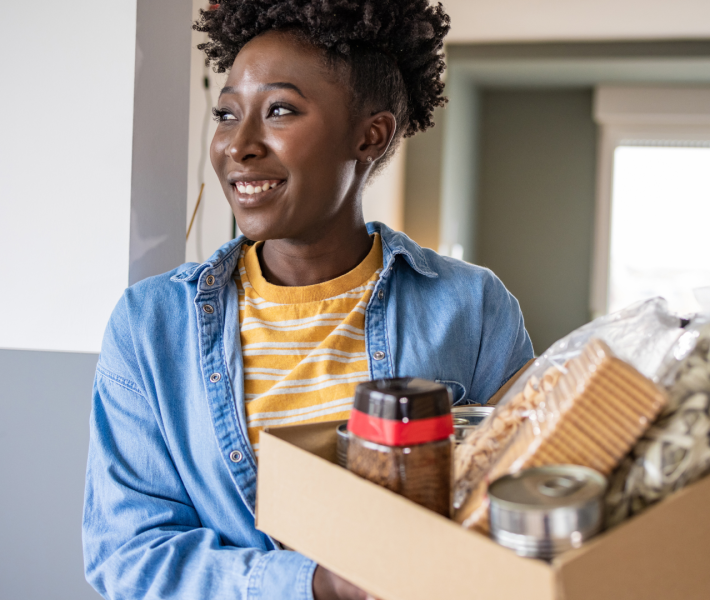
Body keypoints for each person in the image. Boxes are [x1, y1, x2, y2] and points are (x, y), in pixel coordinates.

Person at [82, 2, 532, 599]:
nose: (237, 146)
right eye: (225, 113)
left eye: (280, 111)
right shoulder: (150, 326)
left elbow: (518, 501)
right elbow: (127, 554)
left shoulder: (471, 309)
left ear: (370, 135)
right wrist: (317, 585)